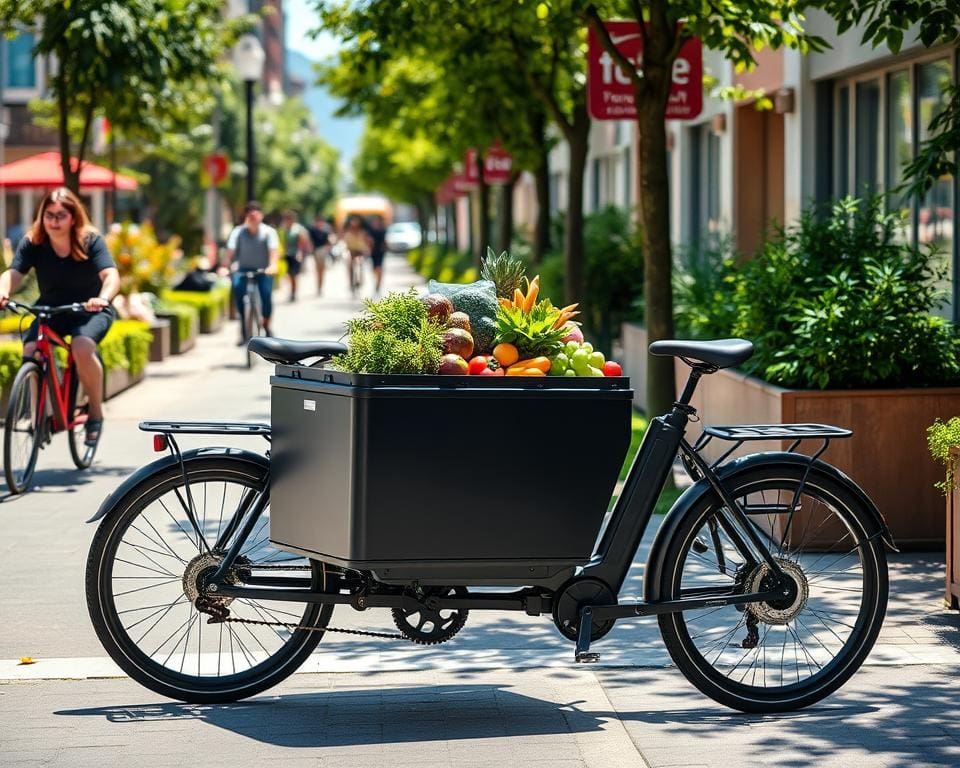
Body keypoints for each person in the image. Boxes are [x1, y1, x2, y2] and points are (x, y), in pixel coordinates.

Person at [0, 187, 120, 447]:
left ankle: (96, 414)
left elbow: (111, 275)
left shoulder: (90, 240)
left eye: (61, 215)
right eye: (49, 215)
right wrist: (3, 290)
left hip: (90, 309)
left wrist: (103, 298)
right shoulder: (34, 242)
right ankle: (39, 416)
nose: (54, 221)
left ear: (73, 217)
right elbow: (14, 273)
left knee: (81, 346)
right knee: (31, 348)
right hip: (52, 308)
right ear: (42, 216)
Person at [219, 201, 279, 343]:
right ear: (246, 217)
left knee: (266, 295)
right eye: (250, 215)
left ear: (261, 216)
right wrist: (224, 266)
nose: (253, 219)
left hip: (264, 271)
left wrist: (273, 265)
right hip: (243, 270)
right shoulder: (238, 232)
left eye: (255, 215)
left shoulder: (269, 232)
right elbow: (230, 252)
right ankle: (244, 329)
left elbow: (273, 252)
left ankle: (266, 325)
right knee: (238, 292)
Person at [281, 210, 310, 302]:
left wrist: (300, 252)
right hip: (287, 254)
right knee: (288, 275)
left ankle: (294, 292)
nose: (288, 220)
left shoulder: (298, 229)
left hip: (295, 254)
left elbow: (303, 242)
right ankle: (291, 291)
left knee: (294, 275)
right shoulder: (285, 229)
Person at [340, 215, 371, 295]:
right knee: (349, 265)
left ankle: (359, 280)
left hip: (360, 251)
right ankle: (351, 283)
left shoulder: (362, 232)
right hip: (351, 251)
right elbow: (343, 240)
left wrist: (367, 248)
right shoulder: (347, 232)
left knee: (359, 263)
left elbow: (366, 242)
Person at [307, 213, 333, 296]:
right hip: (316, 251)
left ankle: (321, 287)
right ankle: (318, 287)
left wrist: (330, 244)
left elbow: (330, 238)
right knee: (318, 270)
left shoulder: (327, 229)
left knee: (322, 270)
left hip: (323, 250)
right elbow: (310, 240)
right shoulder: (312, 229)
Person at [365, 214, 388, 296]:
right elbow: (367, 238)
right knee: (374, 268)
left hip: (380, 250)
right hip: (373, 251)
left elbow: (385, 240)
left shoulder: (383, 229)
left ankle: (378, 283)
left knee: (379, 267)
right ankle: (377, 281)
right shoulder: (370, 229)